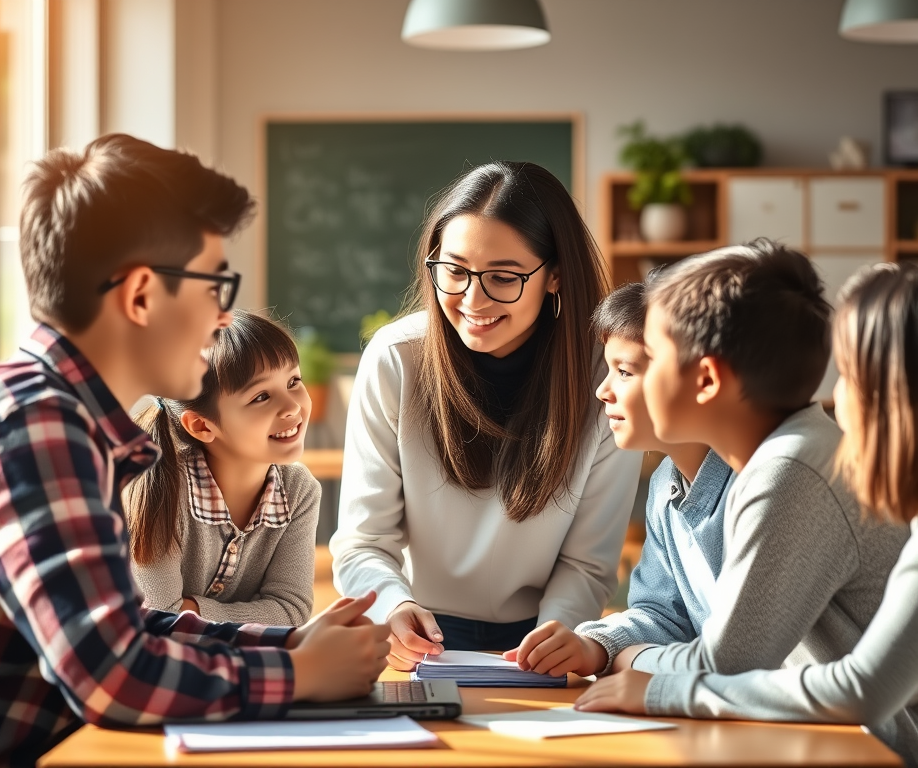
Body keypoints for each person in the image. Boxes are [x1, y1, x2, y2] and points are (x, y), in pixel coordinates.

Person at [0, 134, 388, 768]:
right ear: (142, 296)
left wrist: (289, 644)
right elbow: (113, 674)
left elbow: (125, 629)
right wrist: (300, 676)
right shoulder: (36, 425)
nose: (221, 320)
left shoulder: (54, 414)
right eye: (216, 287)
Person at [577, 260, 918, 767]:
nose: (835, 395)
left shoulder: (794, 467)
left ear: (708, 378)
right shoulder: (721, 472)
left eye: (848, 374)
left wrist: (638, 670)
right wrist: (610, 648)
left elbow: (726, 664)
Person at [330, 160, 643, 670]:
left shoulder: (606, 375)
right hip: (419, 634)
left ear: (556, 275)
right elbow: (365, 541)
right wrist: (393, 606)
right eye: (453, 271)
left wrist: (553, 636)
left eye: (503, 277)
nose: (472, 300)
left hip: (547, 638)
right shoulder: (397, 357)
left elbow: (588, 561)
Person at [503, 278, 735, 678]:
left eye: (625, 372)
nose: (602, 391)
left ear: (702, 378)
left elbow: (740, 655)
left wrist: (634, 661)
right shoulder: (667, 484)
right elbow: (662, 614)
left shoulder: (756, 485)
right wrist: (594, 645)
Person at [125, 312, 319, 626]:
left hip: (229, 667)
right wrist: (250, 616)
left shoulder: (299, 491)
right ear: (202, 425)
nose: (293, 406)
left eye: (293, 381)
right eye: (261, 396)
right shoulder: (160, 485)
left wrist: (192, 611)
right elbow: (159, 620)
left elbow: (292, 612)